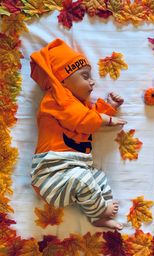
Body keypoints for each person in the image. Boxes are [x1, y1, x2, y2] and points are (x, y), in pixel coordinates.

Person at [30, 38, 127, 230]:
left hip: (72, 170)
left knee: (98, 179)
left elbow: (88, 115)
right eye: (85, 76)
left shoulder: (78, 104)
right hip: (51, 173)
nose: (91, 82)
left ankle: (97, 217)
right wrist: (107, 119)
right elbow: (83, 121)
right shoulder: (55, 101)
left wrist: (109, 107)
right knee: (84, 180)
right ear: (63, 81)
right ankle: (98, 210)